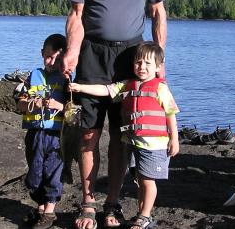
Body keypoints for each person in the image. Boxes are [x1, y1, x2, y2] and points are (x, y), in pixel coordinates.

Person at [62, 0, 168, 229]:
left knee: (123, 134)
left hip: (131, 57)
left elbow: (158, 12)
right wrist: (72, 52)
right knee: (89, 133)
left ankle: (113, 202)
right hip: (93, 54)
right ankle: (89, 202)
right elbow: (77, 15)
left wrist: (158, 60)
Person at [69, 42, 179, 229]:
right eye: (138, 63)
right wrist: (80, 87)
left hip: (153, 145)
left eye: (147, 63)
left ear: (158, 67)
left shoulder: (160, 88)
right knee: (139, 179)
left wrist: (174, 139)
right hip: (134, 142)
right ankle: (142, 214)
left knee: (147, 181)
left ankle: (145, 216)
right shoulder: (127, 85)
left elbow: (170, 114)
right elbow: (105, 90)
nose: (141, 67)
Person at [15, 33, 67, 229]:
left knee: (53, 171)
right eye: (48, 56)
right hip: (35, 133)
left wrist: (59, 105)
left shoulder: (67, 79)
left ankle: (49, 211)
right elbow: (20, 102)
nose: (51, 62)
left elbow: (76, 108)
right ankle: (40, 205)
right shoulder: (32, 76)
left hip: (56, 134)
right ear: (41, 53)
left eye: (57, 58)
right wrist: (32, 103)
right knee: (35, 172)